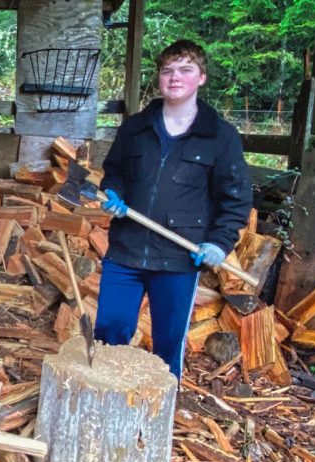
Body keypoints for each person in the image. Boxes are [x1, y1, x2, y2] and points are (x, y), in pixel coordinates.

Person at [96, 39, 252, 380]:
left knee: (168, 341)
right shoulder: (135, 128)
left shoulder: (220, 137)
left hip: (179, 258)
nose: (175, 77)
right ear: (159, 79)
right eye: (167, 71)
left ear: (202, 78)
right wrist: (113, 192)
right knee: (109, 331)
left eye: (186, 69)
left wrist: (219, 242)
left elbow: (236, 198)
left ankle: (161, 414)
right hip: (126, 251)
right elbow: (115, 172)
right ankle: (106, 403)